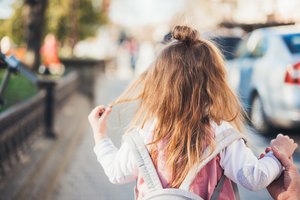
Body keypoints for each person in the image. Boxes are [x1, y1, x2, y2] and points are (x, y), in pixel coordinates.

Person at [88, 25, 298, 200]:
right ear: (214, 85)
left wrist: (100, 136)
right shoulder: (221, 135)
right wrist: (278, 155)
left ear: (158, 85)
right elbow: (254, 178)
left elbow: (116, 172)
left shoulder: (144, 134)